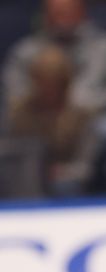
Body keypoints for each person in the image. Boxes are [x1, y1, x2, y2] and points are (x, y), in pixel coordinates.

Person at [2, 0, 106, 195]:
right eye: (56, 13)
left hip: (94, 118)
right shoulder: (27, 51)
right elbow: (14, 93)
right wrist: (41, 101)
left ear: (82, 13)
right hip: (39, 118)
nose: (62, 19)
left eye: (67, 12)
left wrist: (94, 102)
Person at [7, 44, 96, 196]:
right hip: (24, 180)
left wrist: (62, 172)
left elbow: (86, 166)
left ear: (65, 82)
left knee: (65, 186)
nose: (48, 89)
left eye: (55, 83)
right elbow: (11, 154)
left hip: (67, 181)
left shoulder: (82, 114)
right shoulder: (19, 113)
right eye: (42, 82)